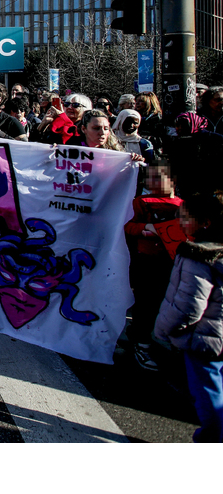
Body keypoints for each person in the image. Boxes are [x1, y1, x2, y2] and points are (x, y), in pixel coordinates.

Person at [154, 191, 223, 443]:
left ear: (205, 222)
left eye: (185, 217)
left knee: (209, 398)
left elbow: (188, 306)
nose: (179, 222)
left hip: (203, 341)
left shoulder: (197, 254)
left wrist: (162, 331)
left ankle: (211, 441)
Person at [123, 161, 183, 371]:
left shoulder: (182, 205)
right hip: (147, 261)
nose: (152, 182)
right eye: (149, 178)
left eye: (158, 178)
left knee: (166, 303)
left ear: (172, 180)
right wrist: (145, 229)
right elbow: (127, 225)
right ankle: (141, 342)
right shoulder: (141, 202)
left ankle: (151, 338)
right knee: (146, 302)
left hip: (174, 263)